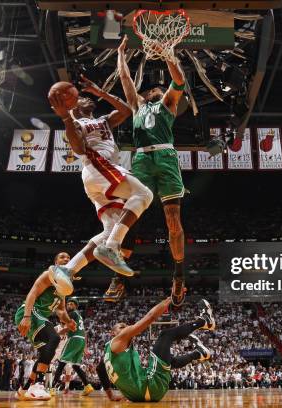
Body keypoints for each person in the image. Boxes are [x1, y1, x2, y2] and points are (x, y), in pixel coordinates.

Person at [48, 75, 153, 292]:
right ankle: (113, 247)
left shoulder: (104, 120)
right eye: (76, 99)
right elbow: (78, 149)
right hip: (98, 167)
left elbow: (125, 111)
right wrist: (65, 118)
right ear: (70, 105)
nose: (82, 98)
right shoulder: (75, 122)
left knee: (110, 229)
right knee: (144, 195)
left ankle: (67, 269)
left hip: (98, 179)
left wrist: (101, 92)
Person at [110, 34, 188, 306]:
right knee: (130, 214)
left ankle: (178, 276)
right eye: (153, 88)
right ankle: (118, 277)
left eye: (160, 88)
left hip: (165, 157)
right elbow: (125, 80)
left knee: (173, 222)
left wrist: (167, 53)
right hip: (142, 159)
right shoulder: (137, 106)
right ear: (146, 94)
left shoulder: (167, 104)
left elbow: (179, 81)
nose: (156, 89)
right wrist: (120, 54)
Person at [100, 298, 215, 402]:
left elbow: (99, 369)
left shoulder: (107, 353)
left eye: (125, 328)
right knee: (165, 335)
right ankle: (204, 321)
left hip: (139, 396)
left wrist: (110, 395)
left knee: (168, 361)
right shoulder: (118, 340)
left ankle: (199, 354)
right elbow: (150, 317)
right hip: (151, 385)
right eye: (121, 328)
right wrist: (170, 298)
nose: (125, 330)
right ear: (112, 333)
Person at [14, 252, 76, 401]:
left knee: (45, 355)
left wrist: (69, 322)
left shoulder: (64, 285)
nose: (66, 259)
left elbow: (60, 310)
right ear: (55, 262)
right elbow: (32, 294)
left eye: (68, 258)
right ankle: (39, 384)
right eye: (62, 257)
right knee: (54, 338)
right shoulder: (48, 275)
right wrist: (27, 316)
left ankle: (25, 389)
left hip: (40, 317)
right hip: (30, 311)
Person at [52, 297, 94, 396]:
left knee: (61, 363)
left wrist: (58, 333)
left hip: (74, 339)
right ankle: (88, 386)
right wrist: (85, 347)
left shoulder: (72, 313)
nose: (69, 305)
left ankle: (52, 388)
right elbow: (84, 332)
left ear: (76, 306)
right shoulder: (79, 316)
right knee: (75, 366)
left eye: (71, 304)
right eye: (68, 304)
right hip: (81, 340)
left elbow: (67, 327)